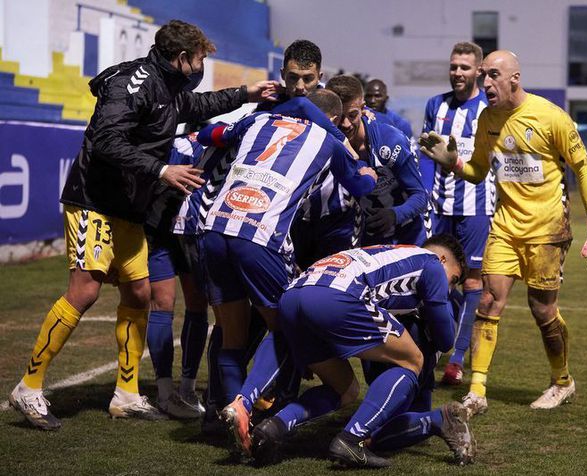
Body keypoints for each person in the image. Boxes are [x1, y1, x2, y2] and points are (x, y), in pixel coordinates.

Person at [8, 19, 280, 430]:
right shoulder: (133, 84)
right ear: (182, 58)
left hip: (128, 206)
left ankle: (127, 394)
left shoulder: (169, 86)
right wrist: (161, 170)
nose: (203, 66)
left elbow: (199, 106)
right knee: (84, 291)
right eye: (201, 58)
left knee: (139, 293)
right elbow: (105, 140)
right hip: (93, 200)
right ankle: (28, 387)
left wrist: (246, 94)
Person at [419, 50, 587, 414]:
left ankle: (562, 382)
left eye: (492, 76)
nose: (485, 83)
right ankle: (477, 390)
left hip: (547, 230)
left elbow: (583, 170)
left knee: (542, 310)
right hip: (505, 227)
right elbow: (477, 171)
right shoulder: (488, 118)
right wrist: (452, 162)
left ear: (513, 79)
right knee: (488, 301)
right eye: (483, 76)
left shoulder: (551, 117)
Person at [194, 89, 377, 456]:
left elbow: (206, 135)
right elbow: (359, 186)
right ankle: (246, 404)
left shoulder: (259, 120)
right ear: (337, 119)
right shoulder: (330, 139)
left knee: (232, 335)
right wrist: (369, 172)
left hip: (213, 229)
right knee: (285, 327)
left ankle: (230, 418)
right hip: (258, 236)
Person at [252, 236, 469, 468]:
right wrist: (442, 308)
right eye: (453, 279)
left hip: (295, 295)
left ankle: (274, 426)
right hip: (340, 297)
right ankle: (351, 439)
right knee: (412, 360)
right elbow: (446, 340)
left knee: (344, 389)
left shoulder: (391, 253)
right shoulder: (432, 263)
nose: (450, 288)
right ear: (442, 258)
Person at [419, 42, 495, 387]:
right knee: (434, 277)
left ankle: (458, 359)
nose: (458, 73)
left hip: (476, 206)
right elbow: (424, 153)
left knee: (473, 282)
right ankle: (436, 345)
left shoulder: (488, 109)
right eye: (454, 67)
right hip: (439, 206)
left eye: (465, 67)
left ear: (478, 70)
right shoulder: (436, 105)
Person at [144, 132, 210, 419]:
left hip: (159, 225)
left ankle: (170, 391)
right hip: (182, 230)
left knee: (165, 306)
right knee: (191, 306)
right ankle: (180, 389)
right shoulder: (215, 142)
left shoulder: (172, 140)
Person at [326, 75, 429, 247]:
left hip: (409, 233)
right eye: (338, 117)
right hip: (368, 234)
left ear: (362, 108)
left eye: (352, 115)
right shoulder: (327, 141)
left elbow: (420, 197)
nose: (345, 124)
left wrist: (394, 215)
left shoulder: (389, 140)